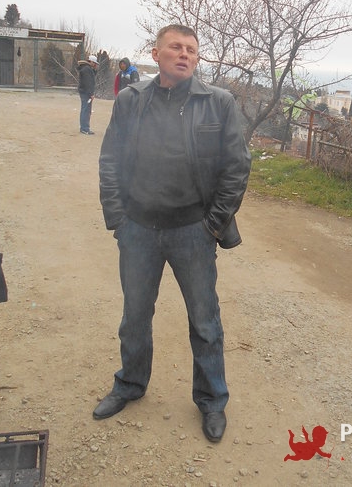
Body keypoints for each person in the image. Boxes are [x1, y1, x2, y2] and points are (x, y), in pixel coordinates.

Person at [95, 24, 251, 443]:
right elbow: (110, 160)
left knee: (204, 321)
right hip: (138, 230)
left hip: (192, 232)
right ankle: (129, 384)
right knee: (134, 316)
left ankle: (212, 401)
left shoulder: (218, 103)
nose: (185, 55)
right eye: (176, 47)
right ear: (156, 53)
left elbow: (237, 167)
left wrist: (212, 224)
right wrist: (118, 218)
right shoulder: (131, 101)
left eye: (192, 50)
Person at [77, 54, 99, 135]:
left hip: (84, 92)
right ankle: (85, 128)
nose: (95, 65)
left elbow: (91, 79)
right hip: (86, 93)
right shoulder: (87, 69)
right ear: (91, 62)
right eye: (95, 63)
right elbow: (88, 83)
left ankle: (84, 128)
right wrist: (91, 94)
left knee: (85, 110)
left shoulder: (86, 68)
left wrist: (94, 70)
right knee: (86, 110)